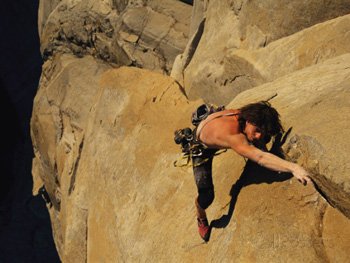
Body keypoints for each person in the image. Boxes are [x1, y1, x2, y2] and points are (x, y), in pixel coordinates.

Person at [191, 101, 311, 241]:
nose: (259, 135)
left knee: (261, 137)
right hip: (202, 148)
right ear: (248, 121)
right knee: (207, 196)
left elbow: (261, 127)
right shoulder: (233, 136)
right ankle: (200, 216)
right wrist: (294, 168)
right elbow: (260, 158)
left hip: (213, 122)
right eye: (257, 130)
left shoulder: (246, 116)